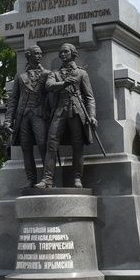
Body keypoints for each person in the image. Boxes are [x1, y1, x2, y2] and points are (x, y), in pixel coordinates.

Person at [41, 43, 97, 188]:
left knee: (77, 146)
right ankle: (47, 179)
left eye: (65, 51)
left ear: (73, 53)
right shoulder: (54, 73)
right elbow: (49, 86)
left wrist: (92, 115)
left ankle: (77, 178)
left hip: (76, 111)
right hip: (59, 111)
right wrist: (64, 84)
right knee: (51, 143)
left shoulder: (81, 73)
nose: (62, 54)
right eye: (61, 52)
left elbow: (89, 97)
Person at [6, 45, 51, 187]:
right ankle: (31, 179)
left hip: (39, 115)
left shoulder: (47, 74)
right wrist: (8, 120)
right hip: (23, 116)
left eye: (40, 53)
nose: (39, 56)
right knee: (26, 148)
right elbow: (13, 100)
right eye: (36, 54)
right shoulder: (20, 77)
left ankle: (47, 179)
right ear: (28, 56)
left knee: (43, 145)